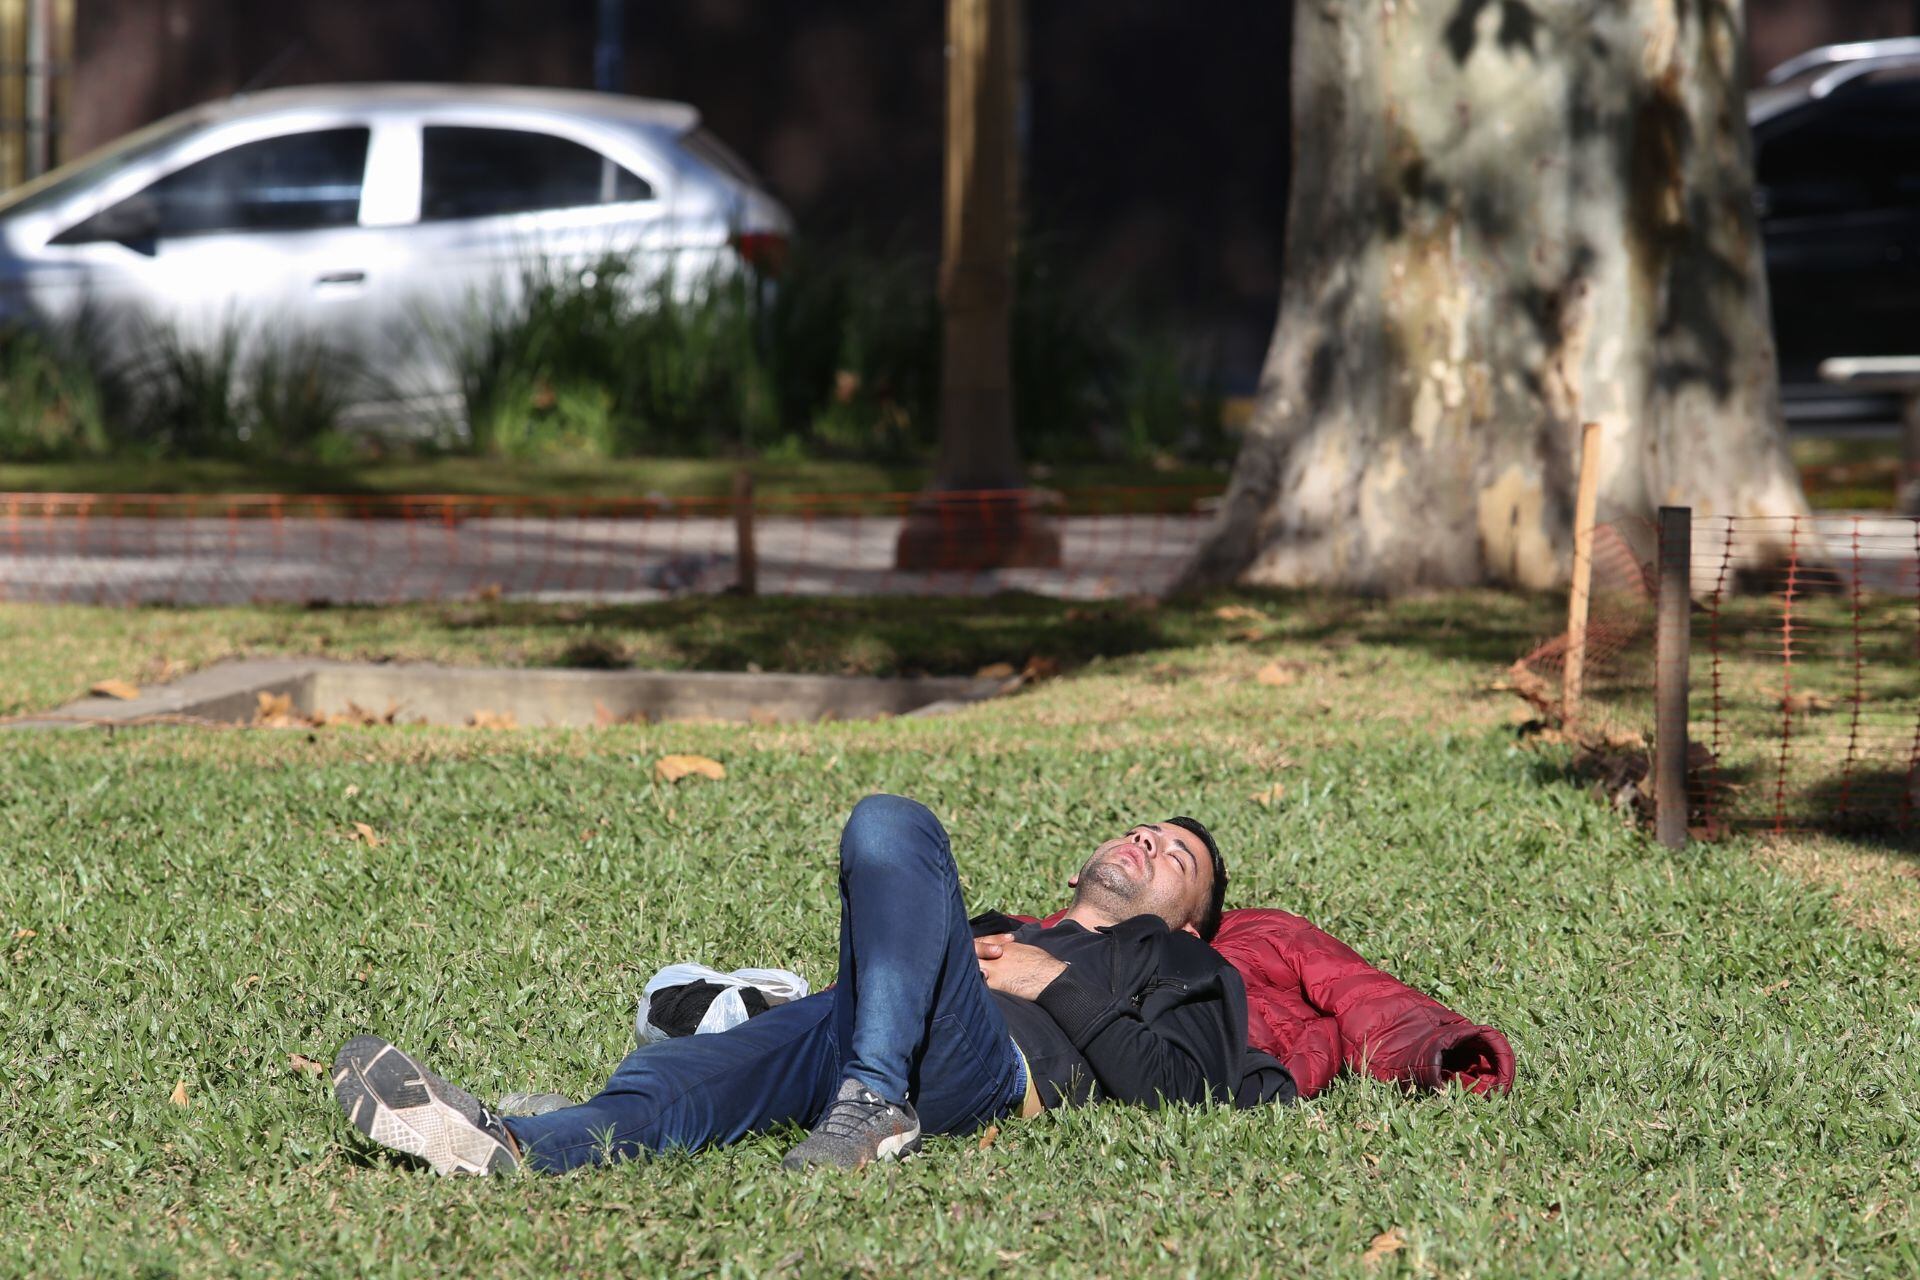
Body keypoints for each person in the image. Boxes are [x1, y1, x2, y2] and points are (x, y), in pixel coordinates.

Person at [331, 794, 1295, 1176]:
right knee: (690, 1080)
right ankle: (508, 1146)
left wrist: (1049, 981)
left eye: (1177, 856)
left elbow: (1183, 1090)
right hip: (859, 1032)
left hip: (985, 1070)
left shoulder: (1188, 966)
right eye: (1143, 828)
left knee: (892, 823)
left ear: (1192, 916)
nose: (1148, 842)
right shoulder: (1002, 926)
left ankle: (874, 1103)